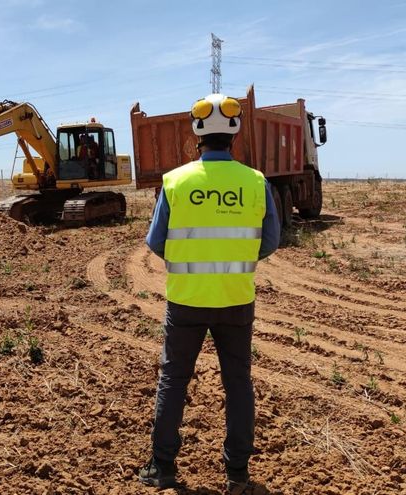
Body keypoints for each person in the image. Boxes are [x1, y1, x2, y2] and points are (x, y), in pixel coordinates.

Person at [138, 93, 280, 493]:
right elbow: (268, 243)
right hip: (236, 298)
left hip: (186, 300)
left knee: (174, 380)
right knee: (238, 382)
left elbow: (156, 242)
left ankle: (162, 467)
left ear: (196, 132)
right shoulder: (255, 182)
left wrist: (192, 257)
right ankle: (237, 474)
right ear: (234, 132)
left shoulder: (176, 182)